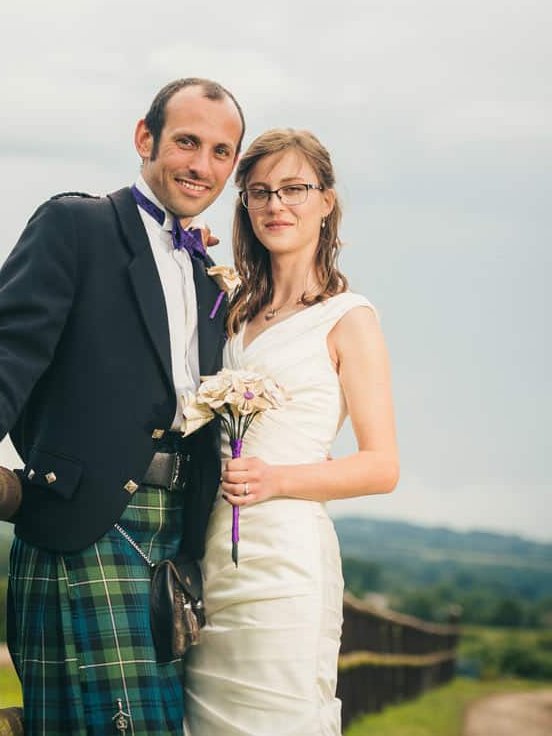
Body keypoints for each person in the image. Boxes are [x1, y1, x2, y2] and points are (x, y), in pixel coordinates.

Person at [0, 78, 244, 735]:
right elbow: (3, 343)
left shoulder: (208, 274)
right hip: (88, 525)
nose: (202, 165)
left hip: (171, 543)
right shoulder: (78, 226)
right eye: (187, 142)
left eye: (221, 152)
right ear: (145, 138)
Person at [183, 129, 400, 735]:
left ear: (326, 202)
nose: (277, 205)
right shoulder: (231, 312)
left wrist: (278, 480)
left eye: (295, 189)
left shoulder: (347, 319)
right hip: (214, 561)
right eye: (260, 193)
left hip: (286, 564)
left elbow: (382, 466)